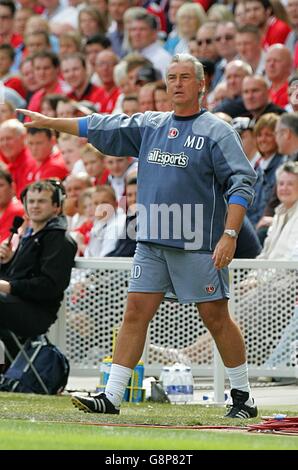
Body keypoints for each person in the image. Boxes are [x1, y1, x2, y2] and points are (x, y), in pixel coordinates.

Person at [18, 53, 258, 419]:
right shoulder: (151, 125)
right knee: (134, 314)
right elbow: (101, 126)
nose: (176, 83)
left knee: (215, 316)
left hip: (199, 243)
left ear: (201, 84)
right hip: (151, 241)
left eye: (184, 77)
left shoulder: (217, 131)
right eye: (171, 77)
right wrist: (52, 122)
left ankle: (243, 395)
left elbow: (242, 183)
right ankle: (112, 396)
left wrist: (229, 234)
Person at [0, 180, 77, 361]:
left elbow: (50, 286)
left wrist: (9, 287)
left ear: (57, 206)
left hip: (36, 312)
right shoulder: (29, 235)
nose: (34, 206)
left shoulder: (60, 240)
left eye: (41, 201)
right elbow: (18, 276)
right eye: (31, 201)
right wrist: (7, 263)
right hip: (16, 303)